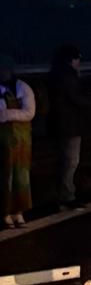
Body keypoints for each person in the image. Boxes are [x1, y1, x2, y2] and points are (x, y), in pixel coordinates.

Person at [48, 44, 91, 210]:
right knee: (71, 161)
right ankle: (68, 196)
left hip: (58, 125)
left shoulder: (54, 75)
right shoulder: (68, 77)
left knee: (63, 160)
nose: (79, 62)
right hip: (70, 125)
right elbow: (76, 98)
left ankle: (62, 195)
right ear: (71, 59)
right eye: (78, 58)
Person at [0, 54, 36, 228]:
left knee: (22, 176)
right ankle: (5, 212)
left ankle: (19, 211)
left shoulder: (23, 87)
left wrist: (7, 114)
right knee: (5, 175)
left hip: (22, 141)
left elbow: (29, 112)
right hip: (3, 141)